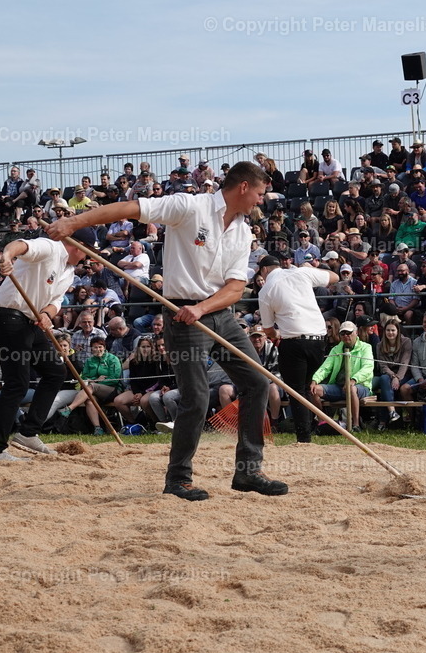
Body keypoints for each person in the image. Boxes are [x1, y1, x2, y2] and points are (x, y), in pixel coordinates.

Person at [47, 160, 288, 500]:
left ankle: (248, 472)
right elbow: (130, 207)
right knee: (196, 397)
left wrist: (203, 308)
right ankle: (178, 479)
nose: (262, 201)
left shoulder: (244, 230)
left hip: (217, 312)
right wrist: (74, 221)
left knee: (257, 381)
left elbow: (235, 287)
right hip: (180, 313)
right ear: (244, 187)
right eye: (261, 193)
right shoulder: (189, 205)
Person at [0, 228, 91, 461]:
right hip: (7, 317)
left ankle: (28, 432)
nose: (88, 256)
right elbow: (20, 245)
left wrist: (47, 314)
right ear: (77, 245)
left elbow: (55, 302)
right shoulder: (51, 247)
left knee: (55, 372)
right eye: (87, 251)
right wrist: (7, 257)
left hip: (30, 321)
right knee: (17, 383)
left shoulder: (69, 272)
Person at [255, 254, 338, 443]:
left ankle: (304, 438)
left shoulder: (266, 289)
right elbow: (335, 277)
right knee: (306, 388)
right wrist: (312, 269)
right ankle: (312, 428)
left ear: (264, 270)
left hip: (294, 342)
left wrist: (277, 335)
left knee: (296, 391)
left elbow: (268, 329)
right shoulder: (301, 273)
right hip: (318, 341)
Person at [309, 320, 373, 432]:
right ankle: (322, 422)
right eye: (343, 333)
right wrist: (315, 380)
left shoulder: (366, 347)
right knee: (314, 390)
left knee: (351, 389)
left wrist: (353, 380)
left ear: (356, 333)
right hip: (338, 387)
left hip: (360, 386)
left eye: (349, 333)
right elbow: (325, 368)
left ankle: (355, 425)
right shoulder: (336, 349)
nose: (346, 336)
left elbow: (368, 367)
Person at [58, 336, 122, 435]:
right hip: (93, 390)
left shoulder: (113, 359)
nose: (98, 349)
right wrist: (95, 380)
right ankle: (98, 428)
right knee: (89, 400)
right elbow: (84, 378)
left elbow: (114, 379)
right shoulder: (89, 361)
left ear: (104, 347)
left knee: (91, 387)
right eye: (95, 347)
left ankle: (69, 409)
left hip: (112, 390)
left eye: (100, 347)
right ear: (91, 349)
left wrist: (95, 383)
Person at [371, 318, 411, 430]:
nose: (390, 333)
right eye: (388, 330)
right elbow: (383, 365)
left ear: (398, 331)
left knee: (385, 383)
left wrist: (397, 377)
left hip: (403, 374)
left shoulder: (406, 342)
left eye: (393, 330)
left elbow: (405, 363)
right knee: (384, 379)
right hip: (388, 375)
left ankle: (383, 421)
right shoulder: (380, 345)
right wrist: (393, 376)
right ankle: (392, 412)